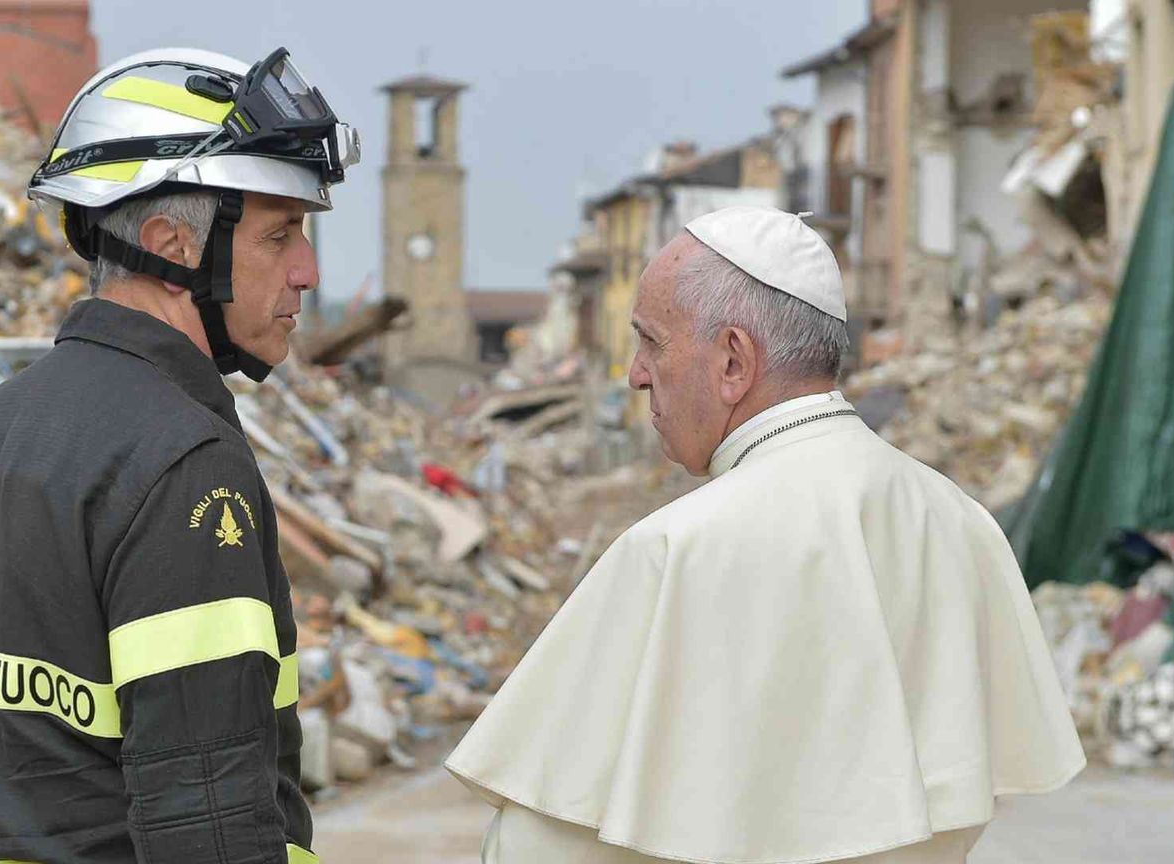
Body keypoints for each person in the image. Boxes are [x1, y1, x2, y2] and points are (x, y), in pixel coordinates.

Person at [445, 206, 1085, 864]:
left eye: (651, 342)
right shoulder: (958, 519)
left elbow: (540, 844)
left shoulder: (675, 548)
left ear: (733, 361)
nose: (636, 373)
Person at [0, 47, 358, 864]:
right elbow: (208, 822)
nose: (306, 271)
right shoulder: (182, 462)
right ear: (169, 243)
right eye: (279, 234)